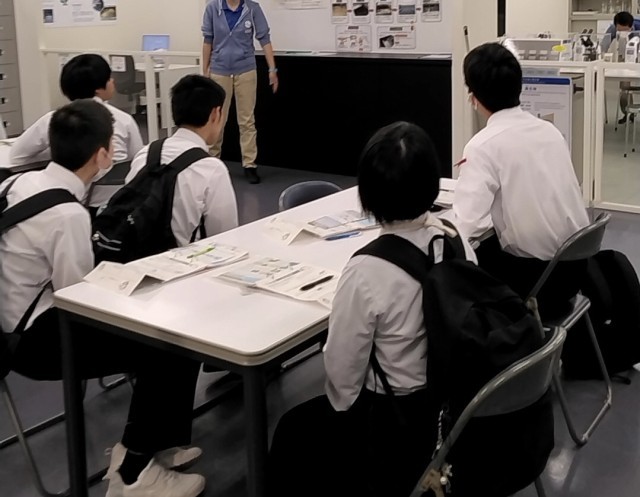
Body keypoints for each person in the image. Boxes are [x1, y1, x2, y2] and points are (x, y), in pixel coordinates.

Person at [0, 100, 204, 497]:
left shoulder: (15, 184)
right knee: (172, 343)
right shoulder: (67, 215)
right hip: (35, 343)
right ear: (102, 155)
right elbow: (78, 300)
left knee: (160, 333)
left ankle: (158, 444)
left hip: (8, 327)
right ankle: (135, 471)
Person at [268, 122, 477, 497]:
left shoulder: (366, 270)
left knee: (291, 431)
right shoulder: (455, 237)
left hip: (396, 426)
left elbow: (342, 379)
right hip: (453, 406)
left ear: (367, 193)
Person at [453, 42, 590, 318]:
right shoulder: (549, 131)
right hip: (578, 267)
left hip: (537, 278)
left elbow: (467, 226)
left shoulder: (482, 146)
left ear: (473, 97)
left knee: (454, 261)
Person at [10, 53, 144, 210]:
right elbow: (138, 160)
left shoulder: (55, 118)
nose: (113, 81)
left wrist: (53, 154)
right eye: (109, 78)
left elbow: (17, 156)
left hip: (71, 202)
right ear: (98, 88)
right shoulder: (125, 119)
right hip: (117, 204)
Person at [125, 74, 239, 246]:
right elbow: (225, 235)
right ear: (216, 114)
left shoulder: (145, 153)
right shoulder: (211, 168)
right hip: (184, 259)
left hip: (135, 255)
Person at [202, 0, 279, 185]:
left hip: (246, 70)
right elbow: (207, 41)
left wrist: (272, 69)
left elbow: (264, 39)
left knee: (247, 120)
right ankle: (213, 161)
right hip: (219, 70)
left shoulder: (252, 8)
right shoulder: (213, 8)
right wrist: (205, 71)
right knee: (217, 118)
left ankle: (249, 164)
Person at [604, 12, 640, 124]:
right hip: (624, 57)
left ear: (631, 26)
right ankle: (627, 113)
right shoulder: (612, 29)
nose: (623, 33)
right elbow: (603, 45)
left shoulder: (638, 26)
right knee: (624, 88)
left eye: (626, 30)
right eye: (620, 30)